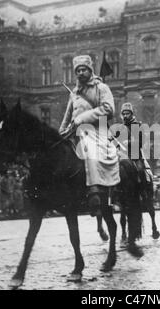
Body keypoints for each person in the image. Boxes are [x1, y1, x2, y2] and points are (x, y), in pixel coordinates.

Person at [59, 55, 120, 216]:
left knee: (88, 147)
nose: (80, 73)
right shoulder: (74, 93)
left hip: (96, 130)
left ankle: (94, 191)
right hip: (74, 132)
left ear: (90, 70)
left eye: (83, 69)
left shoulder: (101, 88)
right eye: (77, 70)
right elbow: (67, 117)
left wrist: (82, 118)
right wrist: (60, 134)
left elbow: (108, 109)